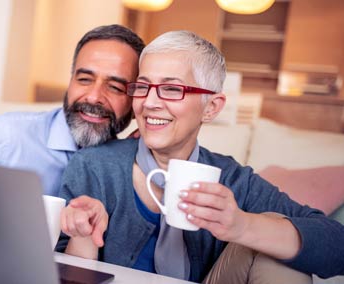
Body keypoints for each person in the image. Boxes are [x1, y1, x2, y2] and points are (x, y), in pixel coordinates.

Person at [56, 30, 344, 283]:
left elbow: (337, 245)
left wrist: (241, 226)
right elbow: (60, 273)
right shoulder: (94, 166)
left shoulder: (233, 180)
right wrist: (84, 232)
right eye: (143, 87)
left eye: (172, 89)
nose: (150, 103)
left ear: (212, 107)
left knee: (277, 248)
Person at [0, 25, 145, 196]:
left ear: (136, 101)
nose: (94, 97)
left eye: (115, 87)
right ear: (70, 80)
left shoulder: (129, 165)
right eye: (84, 80)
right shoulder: (8, 137)